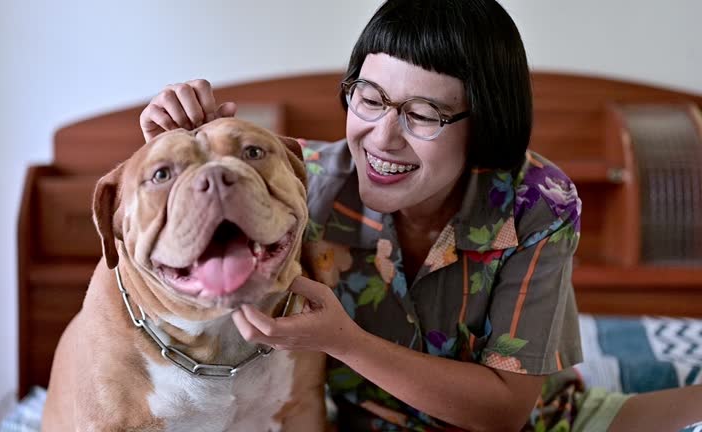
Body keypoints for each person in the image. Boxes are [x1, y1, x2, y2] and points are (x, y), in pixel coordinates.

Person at [139, 1, 702, 431]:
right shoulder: (296, 181)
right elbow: (188, 228)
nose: (383, 138)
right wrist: (173, 156)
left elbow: (505, 411)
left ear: (484, 123)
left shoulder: (538, 204)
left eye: (425, 114)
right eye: (370, 98)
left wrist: (346, 341)